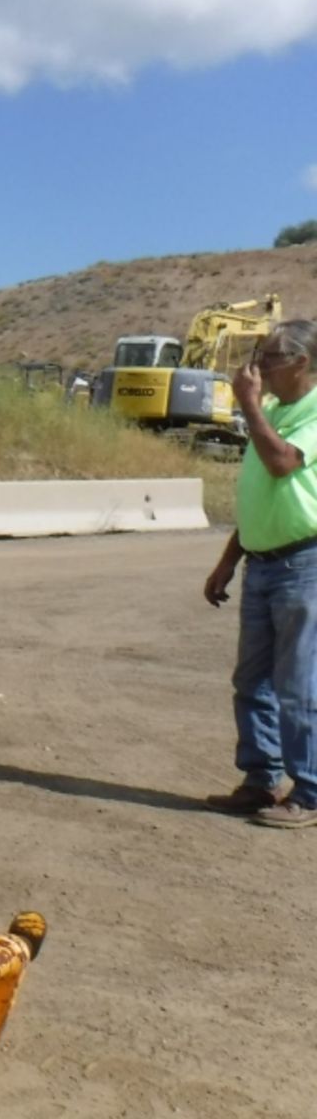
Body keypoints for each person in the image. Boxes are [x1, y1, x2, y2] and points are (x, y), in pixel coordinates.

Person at [203, 320, 317, 827]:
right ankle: (262, 780)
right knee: (251, 681)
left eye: (268, 356)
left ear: (301, 362)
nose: (256, 367)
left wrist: (248, 403)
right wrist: (229, 560)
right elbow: (258, 494)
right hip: (263, 563)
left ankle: (310, 793)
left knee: (298, 685)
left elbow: (281, 464)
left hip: (304, 563)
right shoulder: (270, 410)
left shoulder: (311, 412)